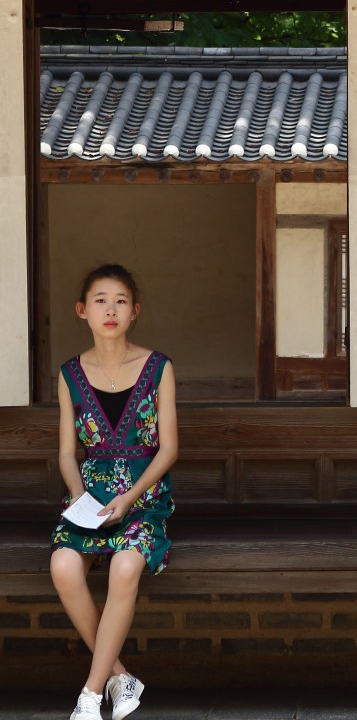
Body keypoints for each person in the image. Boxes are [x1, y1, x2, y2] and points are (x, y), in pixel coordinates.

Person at [50, 264, 178, 720]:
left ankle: (89, 694)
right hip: (91, 500)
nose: (110, 309)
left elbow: (169, 449)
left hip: (143, 500)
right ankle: (120, 676)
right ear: (82, 310)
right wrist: (78, 494)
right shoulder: (70, 373)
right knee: (63, 565)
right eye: (100, 300)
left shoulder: (158, 368)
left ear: (134, 311)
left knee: (125, 567)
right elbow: (68, 453)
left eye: (121, 301)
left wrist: (131, 496)